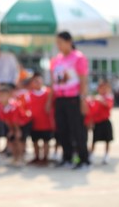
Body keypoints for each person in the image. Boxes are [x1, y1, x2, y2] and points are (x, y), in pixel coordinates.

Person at [48, 31, 90, 170]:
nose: (58, 46)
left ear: (69, 41)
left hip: (74, 98)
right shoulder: (56, 60)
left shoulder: (78, 57)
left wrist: (83, 99)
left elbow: (83, 80)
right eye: (57, 43)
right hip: (60, 98)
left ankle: (83, 159)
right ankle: (67, 157)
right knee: (62, 130)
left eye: (61, 42)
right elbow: (54, 82)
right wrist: (50, 100)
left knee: (77, 130)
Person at [0, 85, 28, 167]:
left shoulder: (14, 105)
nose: (2, 98)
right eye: (0, 96)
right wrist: (11, 130)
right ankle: (15, 158)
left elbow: (16, 120)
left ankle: (21, 158)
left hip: (22, 124)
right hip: (13, 126)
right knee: (12, 141)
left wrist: (17, 131)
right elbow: (6, 120)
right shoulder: (1, 107)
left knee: (19, 141)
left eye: (4, 96)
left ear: (10, 95)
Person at [29, 73, 54, 166]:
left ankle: (45, 158)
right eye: (35, 81)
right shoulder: (29, 94)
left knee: (46, 141)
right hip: (34, 123)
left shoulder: (48, 93)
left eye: (39, 81)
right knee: (35, 141)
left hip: (46, 123)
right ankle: (36, 157)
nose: (37, 83)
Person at [88, 80, 114, 165]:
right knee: (94, 140)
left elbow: (108, 105)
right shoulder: (96, 98)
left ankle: (106, 155)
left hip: (105, 121)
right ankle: (91, 155)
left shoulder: (108, 97)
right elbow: (92, 111)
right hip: (97, 122)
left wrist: (101, 100)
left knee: (107, 140)